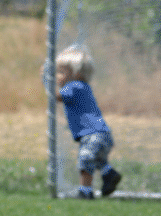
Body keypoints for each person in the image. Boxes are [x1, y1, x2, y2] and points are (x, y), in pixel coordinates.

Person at [51, 46, 123, 199]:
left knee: (85, 161)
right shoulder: (83, 87)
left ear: (76, 74)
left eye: (61, 72)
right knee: (97, 160)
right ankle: (109, 174)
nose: (58, 77)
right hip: (102, 134)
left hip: (92, 135)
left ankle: (85, 191)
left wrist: (46, 81)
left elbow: (56, 97)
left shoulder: (73, 86)